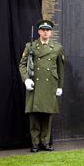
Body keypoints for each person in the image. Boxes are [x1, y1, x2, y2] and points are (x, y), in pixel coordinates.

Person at [19, 19, 64, 153]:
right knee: (34, 116)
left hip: (50, 85)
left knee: (47, 116)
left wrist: (60, 86)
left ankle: (45, 142)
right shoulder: (30, 46)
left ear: (51, 32)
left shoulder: (57, 47)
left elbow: (61, 69)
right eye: (43, 30)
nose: (45, 32)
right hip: (35, 84)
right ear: (39, 31)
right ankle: (35, 143)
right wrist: (26, 79)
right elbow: (22, 64)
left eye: (48, 30)